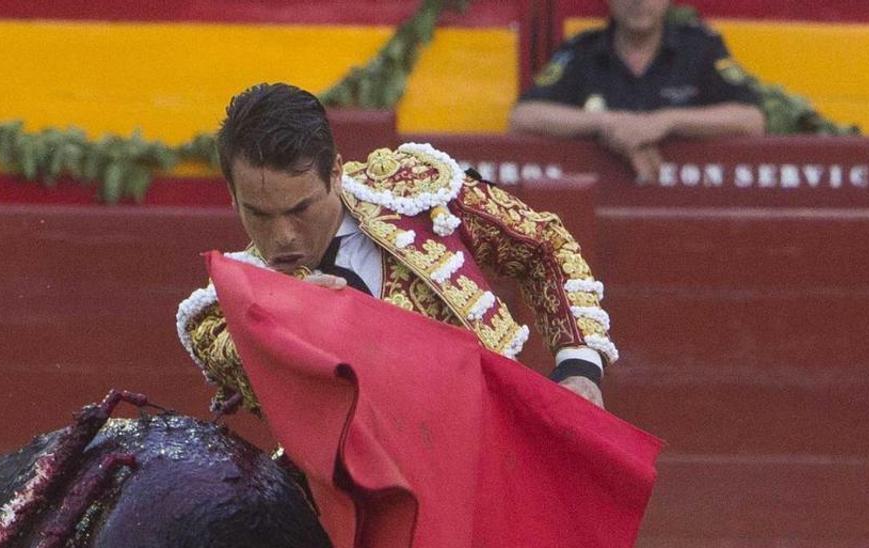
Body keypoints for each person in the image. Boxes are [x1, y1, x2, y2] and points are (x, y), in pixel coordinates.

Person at [176, 83, 617, 416]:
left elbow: (543, 245)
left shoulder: (419, 193)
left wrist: (579, 366)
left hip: (492, 444)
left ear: (334, 173)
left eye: (300, 209)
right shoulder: (228, 305)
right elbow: (236, 356)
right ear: (232, 197)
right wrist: (291, 313)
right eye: (259, 214)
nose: (284, 236)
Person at [509, 0, 765, 182]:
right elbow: (524, 116)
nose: (639, 1)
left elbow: (750, 119)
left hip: (687, 207)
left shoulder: (700, 48)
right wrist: (608, 124)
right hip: (598, 209)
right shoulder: (581, 51)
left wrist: (666, 122)